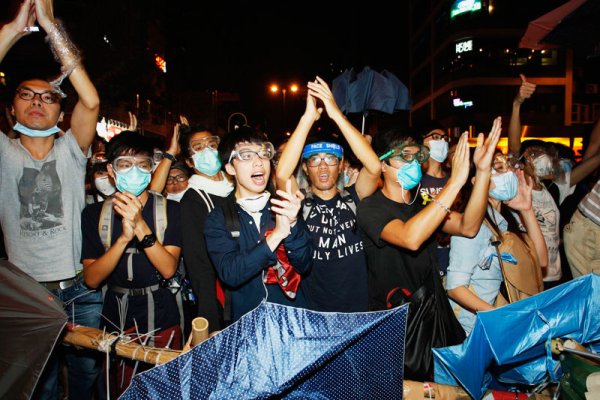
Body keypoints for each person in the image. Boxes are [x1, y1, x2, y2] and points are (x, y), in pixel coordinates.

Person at [0, 1, 101, 399]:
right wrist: (12, 30)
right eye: (27, 95)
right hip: (26, 291)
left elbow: (90, 102)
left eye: (49, 97)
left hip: (80, 287)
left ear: (62, 114)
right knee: (37, 386)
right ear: (11, 110)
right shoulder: (5, 153)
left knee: (84, 380)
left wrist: (51, 27)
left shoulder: (70, 150)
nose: (38, 102)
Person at [356, 118, 501, 380]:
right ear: (383, 165)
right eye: (404, 156)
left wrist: (482, 172)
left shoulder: (424, 204)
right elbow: (410, 237)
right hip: (396, 325)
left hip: (434, 317)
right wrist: (454, 182)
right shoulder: (370, 207)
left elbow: (469, 226)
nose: (413, 163)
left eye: (417, 156)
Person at [81, 130, 182, 396]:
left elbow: (168, 268)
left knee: (164, 385)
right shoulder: (94, 214)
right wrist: (123, 239)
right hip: (116, 313)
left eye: (142, 164)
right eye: (125, 165)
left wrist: (139, 226)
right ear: (112, 172)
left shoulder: (169, 210)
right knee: (120, 387)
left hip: (161, 309)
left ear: (151, 169)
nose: (134, 172)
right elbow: (91, 279)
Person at [275, 76, 381, 312]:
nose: (323, 167)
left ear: (341, 165)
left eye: (331, 159)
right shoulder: (299, 202)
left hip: (360, 311)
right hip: (316, 314)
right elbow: (282, 175)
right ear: (305, 167)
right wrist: (306, 119)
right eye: (315, 160)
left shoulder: (355, 196)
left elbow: (374, 167)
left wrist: (335, 113)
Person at [204, 126, 313, 323]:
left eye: (263, 154)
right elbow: (231, 274)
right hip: (248, 326)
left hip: (294, 321)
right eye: (246, 155)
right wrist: (277, 235)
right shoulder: (218, 218)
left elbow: (305, 264)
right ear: (230, 168)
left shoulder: (283, 205)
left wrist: (294, 222)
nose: (258, 162)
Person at [508, 74, 600, 289]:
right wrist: (517, 104)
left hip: (553, 273)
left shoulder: (555, 189)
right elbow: (513, 147)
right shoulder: (517, 185)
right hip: (526, 271)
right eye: (532, 153)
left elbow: (594, 160)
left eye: (543, 152)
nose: (540, 156)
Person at [446, 152, 548, 335]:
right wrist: (499, 317)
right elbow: (455, 288)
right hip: (474, 328)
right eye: (500, 169)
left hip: (498, 320)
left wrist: (527, 209)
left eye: (509, 167)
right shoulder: (473, 226)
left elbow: (540, 261)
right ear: (477, 180)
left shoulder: (507, 217)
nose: (508, 173)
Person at [177, 122, 235, 331]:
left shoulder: (236, 185)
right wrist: (210, 316)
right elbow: (198, 263)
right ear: (189, 161)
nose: (208, 151)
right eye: (198, 147)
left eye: (211, 144)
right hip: (223, 298)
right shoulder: (193, 201)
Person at [418, 121, 452, 279]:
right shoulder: (415, 181)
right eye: (436, 137)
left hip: (453, 253)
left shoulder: (454, 180)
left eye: (445, 138)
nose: (442, 142)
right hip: (427, 253)